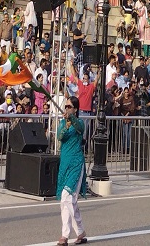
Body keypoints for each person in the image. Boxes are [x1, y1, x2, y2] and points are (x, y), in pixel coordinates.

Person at [56, 96, 88, 246]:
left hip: (76, 163)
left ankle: (65, 235)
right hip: (65, 164)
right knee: (69, 201)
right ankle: (80, 231)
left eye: (70, 107)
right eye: (66, 106)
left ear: (75, 109)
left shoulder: (79, 123)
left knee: (66, 198)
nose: (67, 108)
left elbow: (80, 129)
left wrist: (72, 120)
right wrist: (66, 124)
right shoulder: (63, 123)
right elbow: (59, 137)